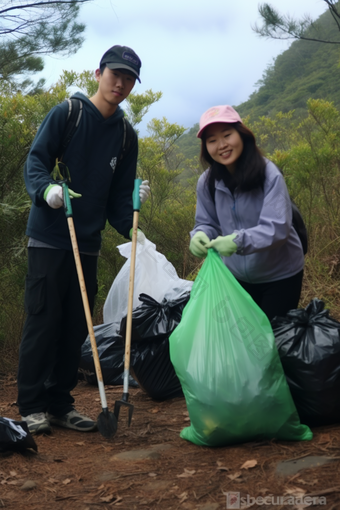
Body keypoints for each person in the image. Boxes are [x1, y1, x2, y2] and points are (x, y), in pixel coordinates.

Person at [17, 45, 150, 435]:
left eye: (128, 79)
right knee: (43, 322)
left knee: (76, 326)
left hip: (87, 242)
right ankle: (31, 405)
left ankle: (60, 403)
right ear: (98, 73)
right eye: (115, 75)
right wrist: (46, 192)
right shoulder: (68, 113)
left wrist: (132, 227)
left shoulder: (125, 135)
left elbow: (119, 198)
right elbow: (36, 161)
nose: (121, 84)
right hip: (49, 237)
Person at [189, 105, 304, 321]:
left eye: (227, 135)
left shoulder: (269, 174)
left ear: (242, 135)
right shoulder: (207, 182)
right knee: (246, 341)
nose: (221, 145)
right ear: (205, 147)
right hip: (236, 277)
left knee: (275, 340)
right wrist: (199, 235)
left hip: (280, 275)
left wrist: (238, 241)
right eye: (212, 140)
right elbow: (207, 223)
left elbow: (277, 227)